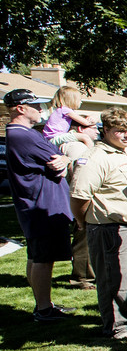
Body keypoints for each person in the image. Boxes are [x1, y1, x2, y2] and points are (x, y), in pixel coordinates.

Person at [70, 107, 127, 339]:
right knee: (116, 281)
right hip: (111, 227)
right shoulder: (95, 158)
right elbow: (79, 197)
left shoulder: (125, 153)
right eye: (120, 131)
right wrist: (85, 222)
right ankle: (119, 327)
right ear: (105, 130)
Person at [4, 88, 74, 321]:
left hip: (36, 205)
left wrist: (64, 160)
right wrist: (65, 159)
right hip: (41, 206)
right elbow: (56, 160)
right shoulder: (23, 135)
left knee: (36, 257)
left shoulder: (22, 134)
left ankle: (43, 304)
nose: (42, 110)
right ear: (21, 109)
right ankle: (44, 309)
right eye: (36, 106)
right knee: (43, 259)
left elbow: (59, 160)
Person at [60, 119, 98, 290]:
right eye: (93, 128)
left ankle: (87, 275)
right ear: (81, 129)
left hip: (82, 196)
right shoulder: (77, 147)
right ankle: (82, 278)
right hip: (83, 197)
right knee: (83, 236)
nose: (97, 131)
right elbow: (77, 174)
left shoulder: (77, 145)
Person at [42, 85, 98, 150]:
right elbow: (85, 123)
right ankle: (90, 154)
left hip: (52, 138)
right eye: (80, 100)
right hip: (54, 138)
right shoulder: (65, 110)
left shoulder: (61, 110)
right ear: (71, 100)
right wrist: (93, 118)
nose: (81, 102)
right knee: (85, 137)